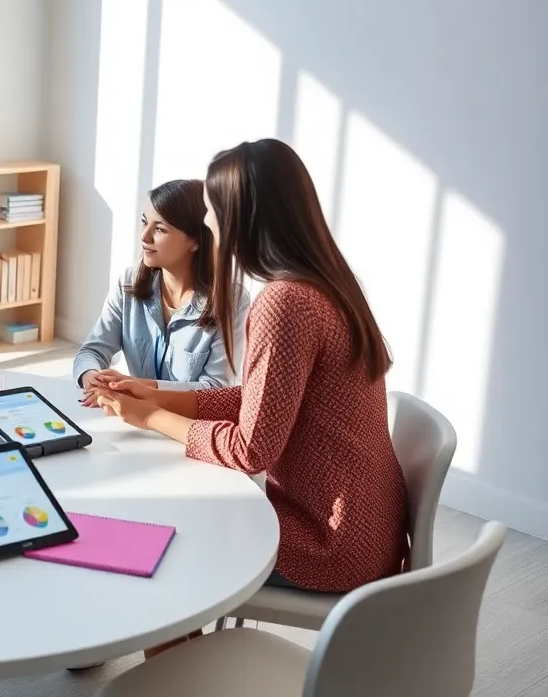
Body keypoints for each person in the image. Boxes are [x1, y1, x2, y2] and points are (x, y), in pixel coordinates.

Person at [91, 139, 408, 618]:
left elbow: (249, 451)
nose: (209, 222)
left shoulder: (286, 304)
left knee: (158, 536)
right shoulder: (328, 282)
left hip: (329, 543)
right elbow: (266, 400)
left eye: (214, 210)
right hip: (369, 527)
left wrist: (151, 416)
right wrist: (161, 394)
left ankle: (172, 670)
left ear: (242, 217)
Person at [73, 178, 249, 399]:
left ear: (195, 241)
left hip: (191, 426)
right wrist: (93, 377)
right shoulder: (129, 282)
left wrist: (142, 387)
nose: (144, 237)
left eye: (159, 229)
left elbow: (216, 389)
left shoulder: (231, 300)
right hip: (137, 418)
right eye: (144, 222)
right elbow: (92, 351)